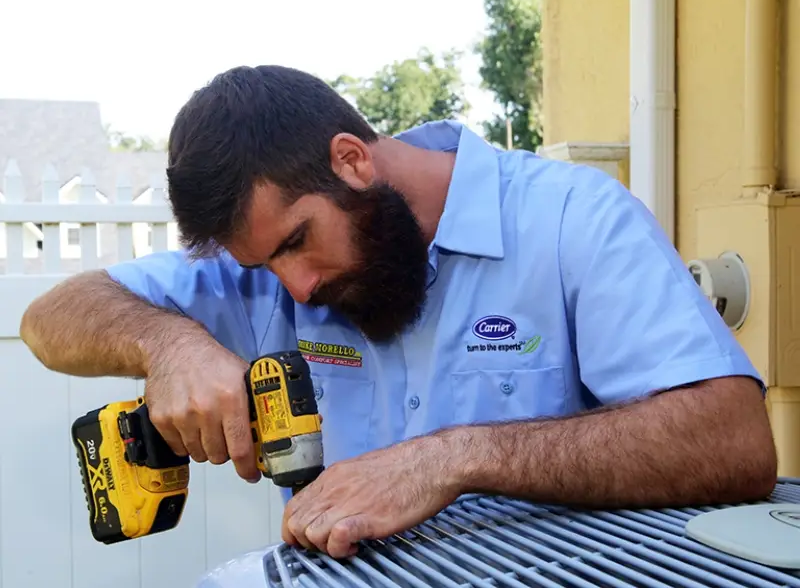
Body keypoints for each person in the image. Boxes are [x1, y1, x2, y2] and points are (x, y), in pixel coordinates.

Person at [20, 65, 777, 560]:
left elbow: (734, 442)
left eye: (298, 243)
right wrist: (168, 345)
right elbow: (49, 317)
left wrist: (452, 460)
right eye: (265, 265)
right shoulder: (264, 269)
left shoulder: (572, 220)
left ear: (352, 160)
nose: (297, 289)